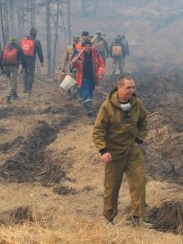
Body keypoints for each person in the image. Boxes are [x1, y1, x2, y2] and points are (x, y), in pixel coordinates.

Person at [92, 73, 151, 228]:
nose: (131, 90)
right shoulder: (107, 106)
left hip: (133, 150)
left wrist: (139, 139)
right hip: (114, 152)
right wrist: (103, 150)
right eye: (128, 87)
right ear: (119, 88)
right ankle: (108, 218)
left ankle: (138, 218)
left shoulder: (137, 103)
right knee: (112, 186)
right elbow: (98, 130)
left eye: (133, 87)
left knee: (139, 183)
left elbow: (144, 121)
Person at [70, 39, 105, 116]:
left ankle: (88, 104)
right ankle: (89, 109)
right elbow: (72, 64)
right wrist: (74, 63)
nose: (87, 48)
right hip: (83, 77)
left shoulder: (96, 55)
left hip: (92, 77)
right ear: (83, 47)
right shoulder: (78, 56)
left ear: (91, 47)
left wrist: (100, 73)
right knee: (86, 92)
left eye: (89, 46)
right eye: (86, 46)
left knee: (90, 92)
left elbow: (101, 65)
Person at [0, 37, 27, 104]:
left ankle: (15, 96)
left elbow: (0, 60)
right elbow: (23, 58)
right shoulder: (18, 47)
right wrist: (24, 67)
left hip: (5, 68)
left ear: (10, 41)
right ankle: (8, 97)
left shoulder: (5, 48)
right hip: (14, 68)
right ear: (15, 41)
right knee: (13, 83)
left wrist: (2, 69)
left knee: (12, 82)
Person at [20, 27, 44, 95]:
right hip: (31, 60)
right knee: (30, 74)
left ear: (30, 33)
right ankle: (28, 90)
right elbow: (40, 53)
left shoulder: (24, 40)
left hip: (23, 60)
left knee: (25, 73)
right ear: (35, 34)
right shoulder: (36, 41)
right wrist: (41, 61)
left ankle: (25, 88)